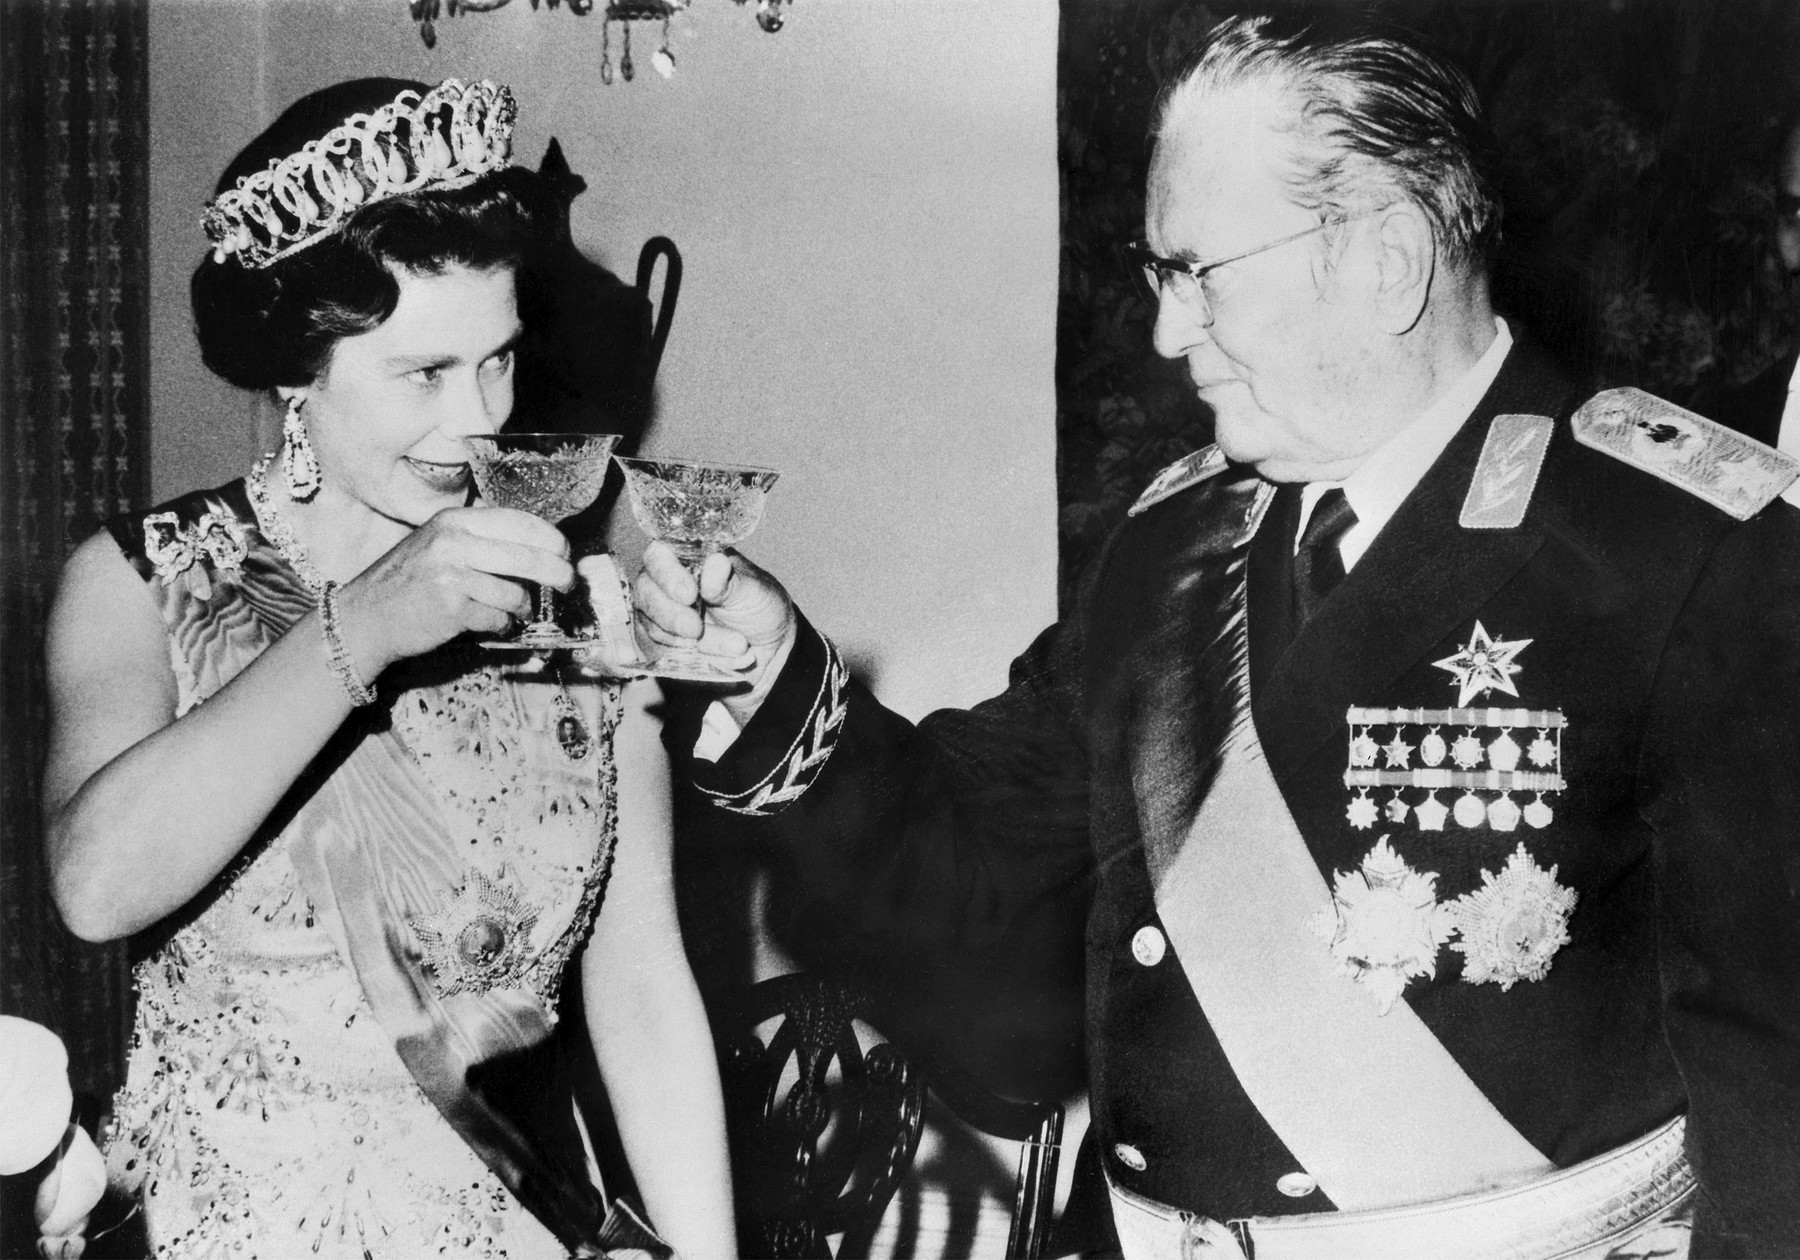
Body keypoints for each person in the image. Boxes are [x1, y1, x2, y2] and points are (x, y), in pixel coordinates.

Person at [635, 12, 1800, 1259]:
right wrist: (774, 680)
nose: (1166, 333)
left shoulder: (1682, 551)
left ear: (1389, 261)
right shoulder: (1169, 545)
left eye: (1201, 273)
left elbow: (1777, 1100)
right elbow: (976, 872)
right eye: (1157, 275)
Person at [42, 77, 736, 1258]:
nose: (479, 424)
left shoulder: (570, 608)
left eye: (499, 361)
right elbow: (95, 887)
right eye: (424, 374)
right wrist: (363, 625)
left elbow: (642, 990)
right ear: (295, 370)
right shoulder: (148, 583)